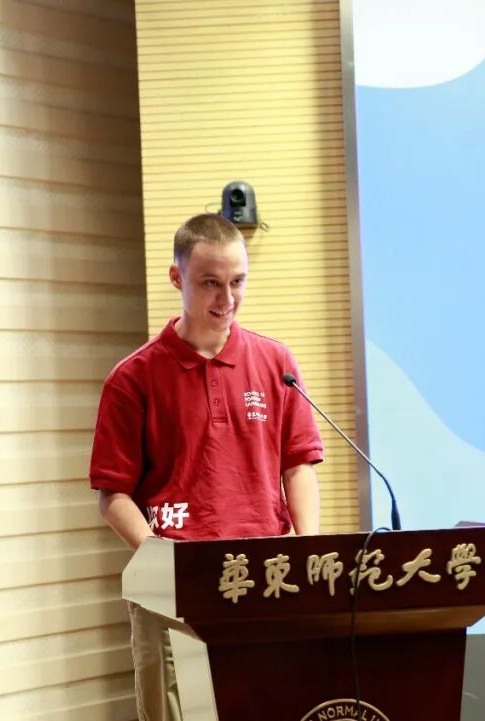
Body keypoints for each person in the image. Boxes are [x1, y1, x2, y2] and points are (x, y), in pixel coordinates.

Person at [88, 212, 324, 721]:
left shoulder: (276, 363)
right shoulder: (133, 378)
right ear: (177, 278)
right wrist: (163, 560)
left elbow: (299, 464)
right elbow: (113, 495)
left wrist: (307, 548)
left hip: (266, 576)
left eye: (237, 282)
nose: (227, 298)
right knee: (185, 713)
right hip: (174, 581)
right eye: (211, 283)